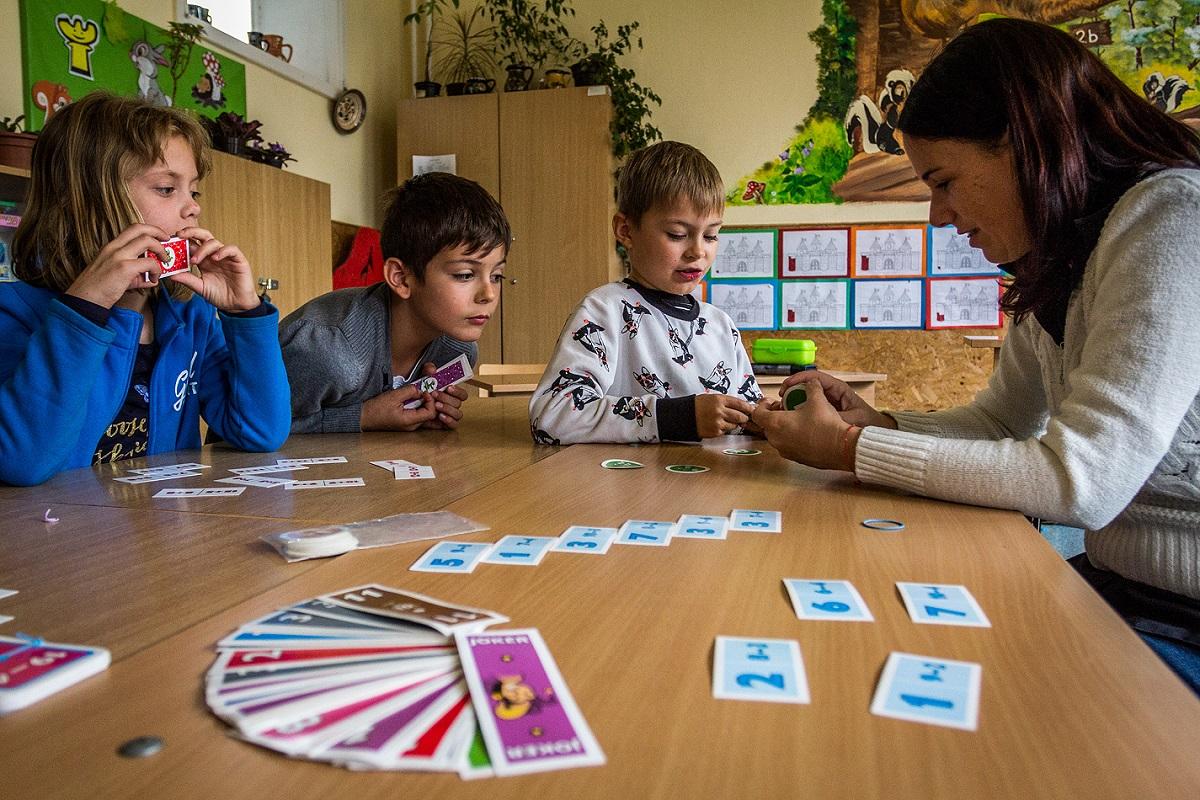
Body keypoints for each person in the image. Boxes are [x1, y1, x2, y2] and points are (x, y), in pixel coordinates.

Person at [753, 18, 1200, 691]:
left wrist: (849, 450)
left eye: (944, 181)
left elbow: (1082, 483)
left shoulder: (1169, 218)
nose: (938, 215)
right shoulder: (1063, 255)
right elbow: (1001, 423)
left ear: (1025, 145)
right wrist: (875, 424)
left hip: (1180, 617)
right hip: (1123, 591)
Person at [0, 92, 290, 486]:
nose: (193, 208)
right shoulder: (15, 314)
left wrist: (245, 314)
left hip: (162, 536)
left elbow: (259, 432)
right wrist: (85, 308)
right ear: (85, 202)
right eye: (167, 189)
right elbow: (21, 463)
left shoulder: (191, 316)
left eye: (194, 191)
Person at [529, 141, 762, 445]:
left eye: (711, 235)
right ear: (626, 231)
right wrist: (676, 417)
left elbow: (747, 411)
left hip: (712, 486)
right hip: (631, 488)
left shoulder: (721, 325)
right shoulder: (604, 312)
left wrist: (763, 417)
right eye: (677, 235)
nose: (698, 251)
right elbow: (552, 416)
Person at [280, 173, 509, 433]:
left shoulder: (458, 351)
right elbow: (236, 428)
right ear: (401, 278)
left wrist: (424, 411)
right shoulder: (329, 354)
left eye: (497, 276)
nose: (489, 294)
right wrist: (363, 417)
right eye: (465, 275)